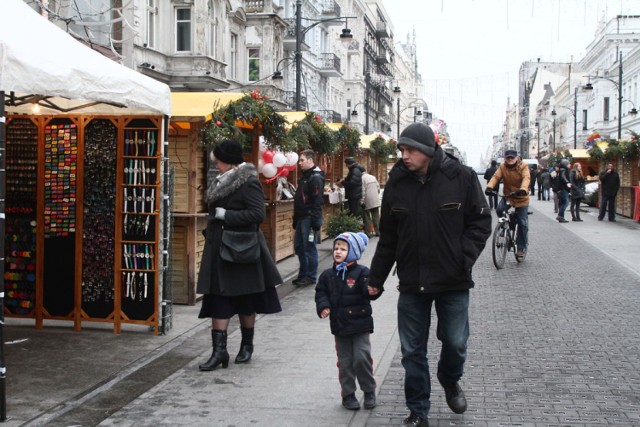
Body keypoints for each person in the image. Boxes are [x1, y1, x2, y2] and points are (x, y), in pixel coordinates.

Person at [367, 123, 491, 427]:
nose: (404, 156)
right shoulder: (397, 182)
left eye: (410, 150)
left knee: (455, 342)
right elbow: (389, 238)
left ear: (427, 150)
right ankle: (418, 411)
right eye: (401, 150)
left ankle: (450, 379)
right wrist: (375, 280)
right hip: (412, 280)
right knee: (412, 351)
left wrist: (463, 258)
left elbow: (481, 222)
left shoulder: (460, 177)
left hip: (453, 280)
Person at [197, 139, 282, 371]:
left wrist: (228, 216)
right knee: (219, 299)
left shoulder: (248, 182)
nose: (216, 164)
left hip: (241, 250)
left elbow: (257, 214)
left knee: (245, 300)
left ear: (227, 161)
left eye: (218, 161)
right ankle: (219, 352)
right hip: (219, 250)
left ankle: (246, 345)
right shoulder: (222, 180)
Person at [315, 232, 382, 411]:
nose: (338, 251)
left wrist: (373, 290)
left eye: (343, 249)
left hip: (360, 325)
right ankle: (348, 394)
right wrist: (323, 306)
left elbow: (368, 289)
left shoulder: (362, 272)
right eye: (336, 248)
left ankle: (368, 390)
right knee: (345, 362)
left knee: (361, 358)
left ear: (353, 252)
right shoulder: (327, 275)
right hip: (340, 326)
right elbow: (321, 292)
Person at [486, 149, 531, 257]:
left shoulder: (523, 166)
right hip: (509, 196)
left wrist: (523, 189)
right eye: (508, 158)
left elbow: (526, 178)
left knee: (522, 223)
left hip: (521, 196)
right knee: (499, 210)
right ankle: (505, 227)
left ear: (517, 158)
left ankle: (521, 247)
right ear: (505, 158)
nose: (510, 159)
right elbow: (496, 177)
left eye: (512, 157)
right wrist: (489, 187)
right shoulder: (502, 167)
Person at [292, 149, 325, 287]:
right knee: (299, 247)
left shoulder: (315, 177)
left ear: (310, 160)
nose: (299, 163)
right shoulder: (306, 176)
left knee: (309, 247)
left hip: (309, 218)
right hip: (302, 217)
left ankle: (310, 276)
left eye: (302, 160)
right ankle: (303, 274)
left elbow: (317, 200)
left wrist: (315, 220)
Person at [361, 170, 381, 237]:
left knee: (366, 217)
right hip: (375, 199)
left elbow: (363, 191)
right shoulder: (373, 177)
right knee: (376, 217)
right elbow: (378, 188)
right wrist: (376, 194)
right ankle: (378, 232)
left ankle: (368, 233)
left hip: (367, 200)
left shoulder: (362, 178)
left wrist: (362, 201)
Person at [556, 159, 572, 223]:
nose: (570, 165)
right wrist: (567, 182)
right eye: (568, 164)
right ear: (565, 164)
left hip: (562, 188)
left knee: (562, 202)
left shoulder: (563, 170)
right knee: (566, 202)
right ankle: (560, 216)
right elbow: (563, 177)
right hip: (563, 188)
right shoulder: (563, 170)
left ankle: (561, 217)